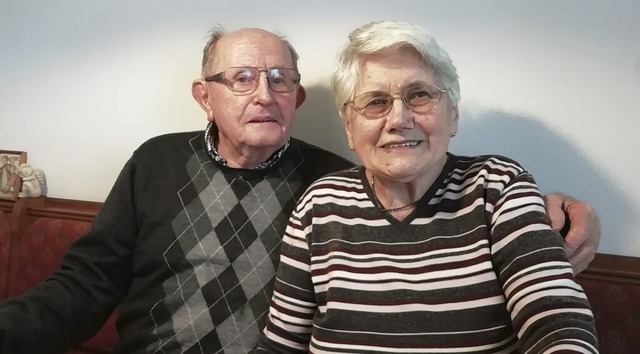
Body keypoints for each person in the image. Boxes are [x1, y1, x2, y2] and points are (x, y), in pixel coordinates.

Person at [0, 25, 598, 354]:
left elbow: (550, 311)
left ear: (299, 100)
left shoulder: (330, 182)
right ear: (203, 95)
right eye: (241, 77)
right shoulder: (156, 162)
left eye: (281, 78)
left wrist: (550, 209)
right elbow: (84, 284)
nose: (264, 93)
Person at [257, 21, 599, 353]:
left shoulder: (496, 185)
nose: (398, 119)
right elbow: (280, 345)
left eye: (418, 95)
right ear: (350, 128)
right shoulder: (320, 202)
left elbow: (556, 320)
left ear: (452, 114)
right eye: (375, 102)